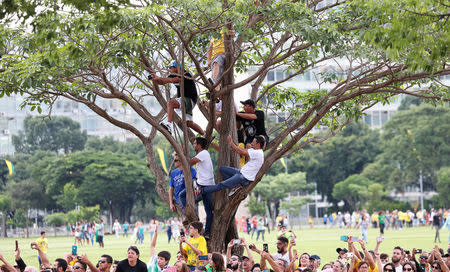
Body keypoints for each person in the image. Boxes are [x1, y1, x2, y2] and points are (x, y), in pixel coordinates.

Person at [152, 61, 204, 136]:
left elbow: (174, 80)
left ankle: (169, 125)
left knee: (171, 103)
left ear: (177, 67)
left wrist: (160, 78)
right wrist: (155, 79)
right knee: (188, 123)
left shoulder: (185, 74)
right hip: (187, 101)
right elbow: (162, 82)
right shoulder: (173, 75)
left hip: (189, 99)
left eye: (171, 67)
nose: (170, 69)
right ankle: (204, 134)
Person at [190, 137, 215, 238]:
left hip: (206, 185)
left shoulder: (203, 153)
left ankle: (207, 232)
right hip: (202, 183)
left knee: (209, 210)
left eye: (195, 143)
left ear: (199, 145)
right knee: (185, 197)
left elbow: (190, 162)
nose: (193, 145)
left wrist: (182, 153)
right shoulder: (202, 154)